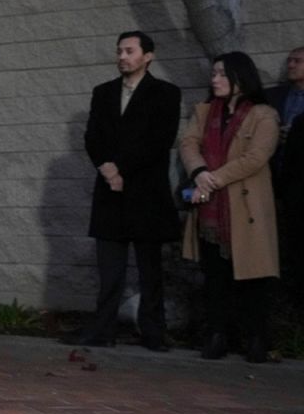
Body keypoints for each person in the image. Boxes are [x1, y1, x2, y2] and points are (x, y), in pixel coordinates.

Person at [72, 31, 182, 350]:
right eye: (119, 51)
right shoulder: (103, 92)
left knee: (150, 270)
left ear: (148, 56)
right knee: (109, 270)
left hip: (147, 193)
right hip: (110, 193)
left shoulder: (166, 93)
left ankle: (153, 332)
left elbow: (159, 141)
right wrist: (107, 169)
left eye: (130, 51)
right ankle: (103, 330)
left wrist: (119, 168)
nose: (122, 56)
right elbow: (93, 137)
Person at [179, 51, 280, 363]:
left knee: (253, 279)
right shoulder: (205, 111)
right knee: (215, 277)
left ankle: (256, 339)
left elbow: (255, 158)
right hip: (212, 211)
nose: (215, 79)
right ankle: (217, 336)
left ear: (240, 77)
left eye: (222, 74)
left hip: (245, 208)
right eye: (214, 74)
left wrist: (211, 180)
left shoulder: (264, 114)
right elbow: (188, 144)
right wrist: (198, 173)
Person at [266, 47, 304, 302]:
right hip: (273, 178)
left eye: (297, 61)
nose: (290, 65)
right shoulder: (274, 97)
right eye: (289, 60)